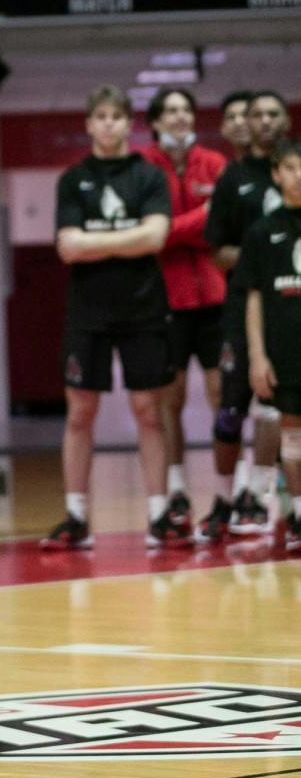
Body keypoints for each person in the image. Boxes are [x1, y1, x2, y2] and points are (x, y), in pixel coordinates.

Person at [42, 83, 184, 552]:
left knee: (149, 410)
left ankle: (159, 513)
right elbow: (67, 247)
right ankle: (77, 515)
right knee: (81, 411)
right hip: (88, 313)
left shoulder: (148, 176)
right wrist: (129, 238)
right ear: (89, 125)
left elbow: (157, 238)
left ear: (129, 124)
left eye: (116, 117)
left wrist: (94, 244)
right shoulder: (73, 179)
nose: (108, 124)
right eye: (100, 116)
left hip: (143, 308)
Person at [200, 88, 291, 542]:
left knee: (280, 409)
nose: (266, 121)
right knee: (231, 409)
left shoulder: (295, 173)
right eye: (258, 115)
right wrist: (263, 259)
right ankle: (221, 499)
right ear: (245, 123)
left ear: (286, 120)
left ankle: (261, 496)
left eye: (275, 113)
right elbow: (217, 253)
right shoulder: (233, 178)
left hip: (291, 310)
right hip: (242, 307)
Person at [142, 86, 227, 530]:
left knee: (221, 396)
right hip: (166, 299)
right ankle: (176, 490)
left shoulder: (214, 164)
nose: (179, 117)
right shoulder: (143, 169)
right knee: (169, 400)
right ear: (155, 121)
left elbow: (223, 226)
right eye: (170, 111)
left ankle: (229, 490)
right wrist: (197, 220)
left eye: (185, 110)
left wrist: (175, 229)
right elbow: (151, 235)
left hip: (213, 298)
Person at [242, 138, 301, 555]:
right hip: (286, 354)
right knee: (293, 439)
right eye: (291, 168)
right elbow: (254, 298)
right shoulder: (262, 232)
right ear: (277, 174)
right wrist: (258, 356)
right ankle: (298, 512)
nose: (300, 176)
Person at [218, 89, 255, 163]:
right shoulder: (224, 170)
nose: (238, 122)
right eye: (231, 117)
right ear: (223, 129)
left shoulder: (280, 167)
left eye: (245, 115)